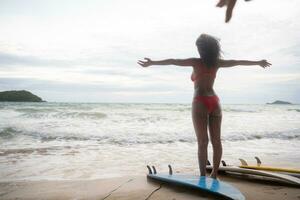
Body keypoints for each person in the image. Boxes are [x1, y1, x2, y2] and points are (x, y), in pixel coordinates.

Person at [138, 33, 271, 178]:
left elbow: (173, 61)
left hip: (200, 101)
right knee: (216, 141)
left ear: (201, 49)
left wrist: (153, 63)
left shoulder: (196, 62)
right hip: (215, 101)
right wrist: (258, 62)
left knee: (202, 142)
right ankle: (214, 174)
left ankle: (202, 176)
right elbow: (237, 61)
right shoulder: (217, 63)